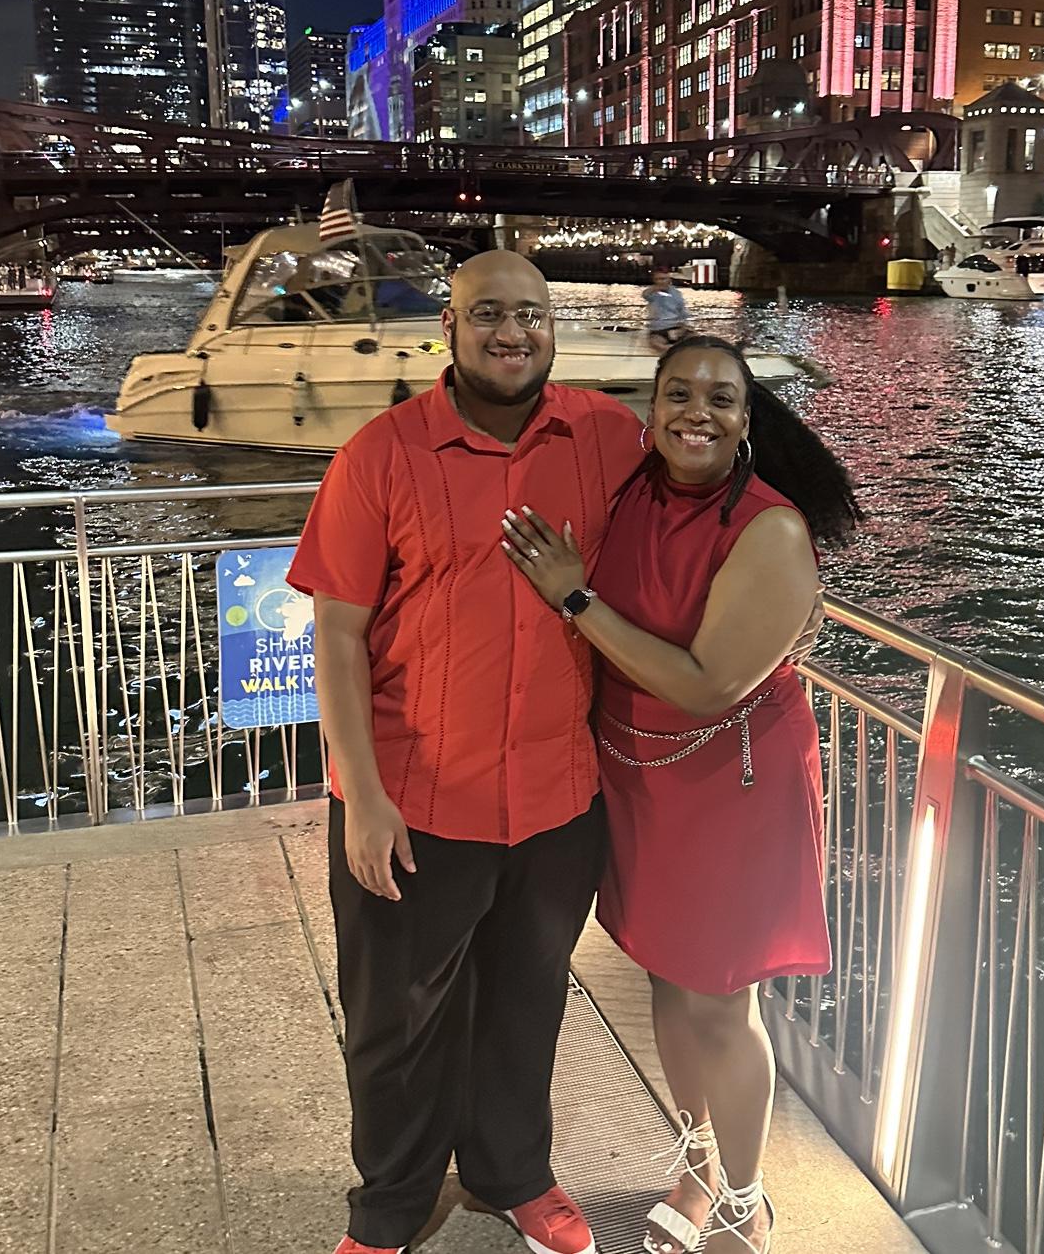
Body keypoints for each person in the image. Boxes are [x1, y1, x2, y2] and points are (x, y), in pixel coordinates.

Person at [287, 250, 643, 1254]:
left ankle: (511, 1175)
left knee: (528, 1002)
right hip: (417, 797)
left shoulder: (608, 436)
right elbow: (339, 636)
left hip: (557, 797)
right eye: (488, 313)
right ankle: (390, 1207)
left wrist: (783, 591)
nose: (512, 333)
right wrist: (361, 797)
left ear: (553, 325)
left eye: (531, 313)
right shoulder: (381, 455)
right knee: (396, 1022)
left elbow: (709, 497)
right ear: (449, 328)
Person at [501, 335, 861, 1254]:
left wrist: (574, 599)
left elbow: (705, 685)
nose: (697, 412)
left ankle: (747, 1201)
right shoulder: (634, 492)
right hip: (641, 776)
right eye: (678, 395)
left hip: (731, 783)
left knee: (720, 1000)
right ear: (652, 410)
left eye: (721, 399)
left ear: (747, 421)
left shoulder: (770, 529)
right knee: (666, 976)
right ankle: (698, 1163)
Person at [642, 265, 694, 351]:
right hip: (659, 329)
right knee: (655, 343)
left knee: (695, 338)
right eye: (658, 279)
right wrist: (655, 288)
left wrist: (684, 326)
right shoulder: (652, 293)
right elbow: (645, 295)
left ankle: (677, 348)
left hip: (675, 326)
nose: (661, 282)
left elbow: (682, 310)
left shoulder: (676, 293)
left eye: (663, 279)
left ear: (669, 279)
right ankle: (672, 349)